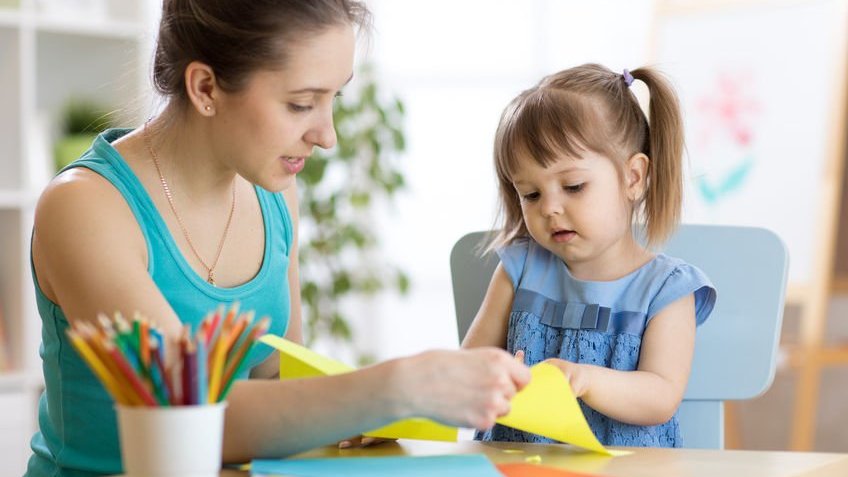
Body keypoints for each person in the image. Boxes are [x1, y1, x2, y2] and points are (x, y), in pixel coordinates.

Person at [24, 1, 531, 475]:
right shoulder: (85, 207)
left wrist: (351, 416)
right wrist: (394, 389)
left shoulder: (272, 193)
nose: (327, 135)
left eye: (334, 98)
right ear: (204, 88)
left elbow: (277, 379)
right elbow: (187, 414)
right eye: (301, 103)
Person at [462, 64, 716, 447]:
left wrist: (584, 380)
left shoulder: (665, 290)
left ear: (633, 177)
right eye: (530, 194)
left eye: (573, 186)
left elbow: (661, 396)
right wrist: (492, 377)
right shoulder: (519, 270)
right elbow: (464, 371)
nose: (549, 208)